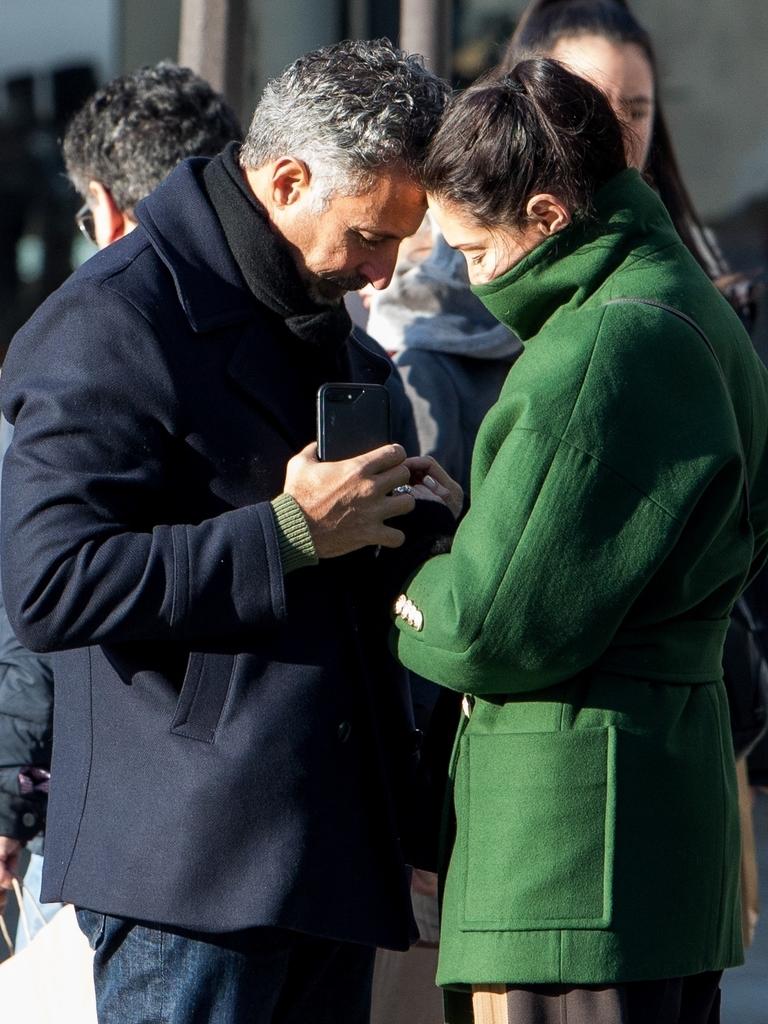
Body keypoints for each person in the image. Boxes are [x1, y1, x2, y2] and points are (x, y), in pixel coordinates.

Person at [0, 38, 451, 1024]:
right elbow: (48, 582)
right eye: (371, 235)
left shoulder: (335, 333)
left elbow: (346, 602)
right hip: (187, 874)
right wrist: (285, 532)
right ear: (288, 180)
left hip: (323, 863)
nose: (380, 274)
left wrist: (415, 528)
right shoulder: (113, 318)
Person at [392, 57, 768, 1024]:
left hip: (568, 858)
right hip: (655, 826)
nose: (469, 278)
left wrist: (411, 574)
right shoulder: (685, 298)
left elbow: (491, 625)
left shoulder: (600, 343)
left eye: (475, 250)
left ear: (551, 217)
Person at [0, 60, 243, 948]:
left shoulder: (88, 336)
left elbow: (30, 606)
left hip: (125, 834)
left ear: (105, 207)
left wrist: (9, 795)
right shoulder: (299, 338)